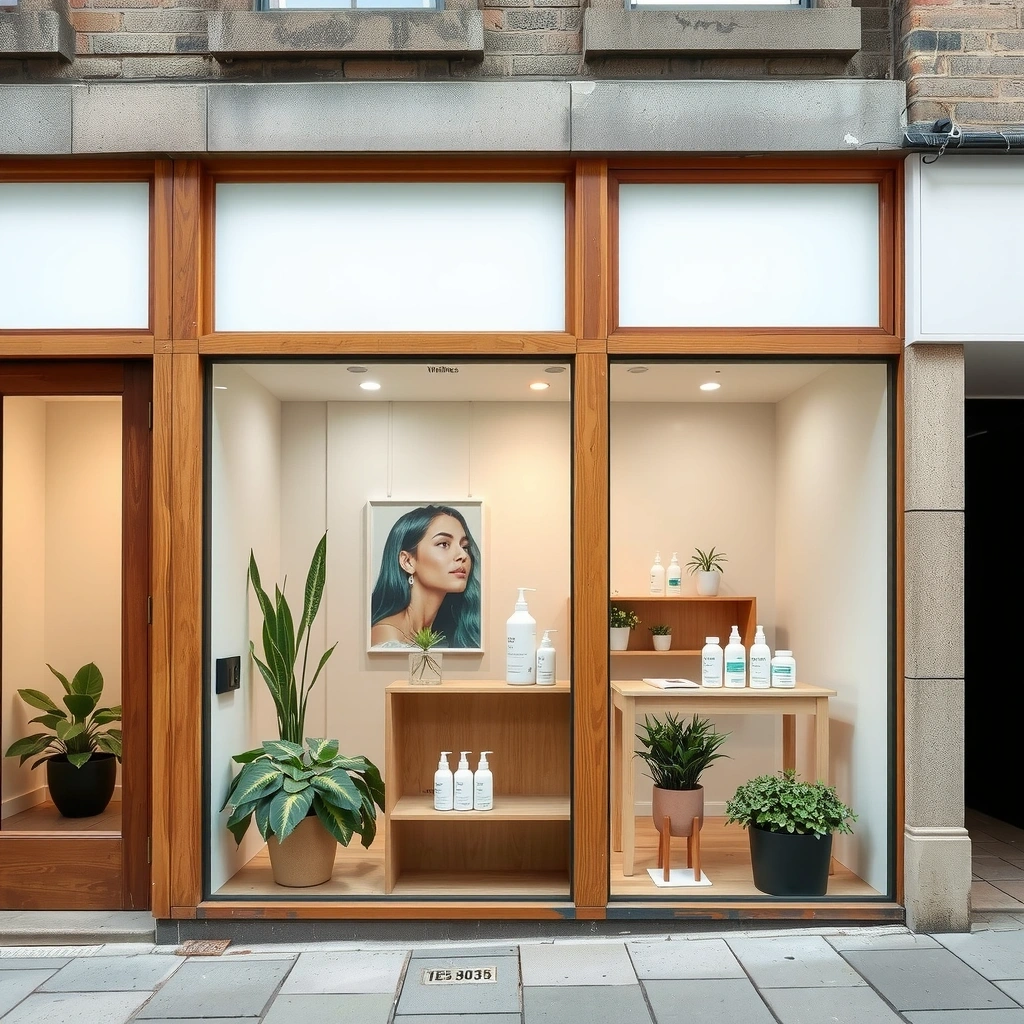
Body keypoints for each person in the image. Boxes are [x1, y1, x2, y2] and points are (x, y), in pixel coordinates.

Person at [370, 504, 481, 649]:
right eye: (443, 544)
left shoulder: (448, 633)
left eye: (464, 546)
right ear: (408, 561)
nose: (463, 555)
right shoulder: (387, 637)